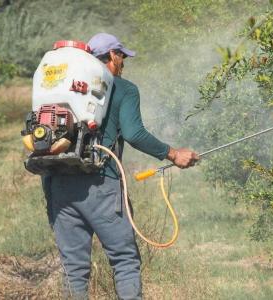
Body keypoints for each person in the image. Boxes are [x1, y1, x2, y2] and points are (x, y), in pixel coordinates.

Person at [42, 33, 199, 300]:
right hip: (100, 183)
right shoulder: (123, 89)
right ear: (112, 56)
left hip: (58, 182)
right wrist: (172, 154)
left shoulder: (62, 85)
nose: (124, 61)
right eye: (122, 55)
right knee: (125, 261)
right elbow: (134, 133)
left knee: (74, 269)